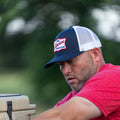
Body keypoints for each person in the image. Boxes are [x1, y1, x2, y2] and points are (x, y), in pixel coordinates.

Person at [33, 26, 120, 120]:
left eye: (71, 61)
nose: (65, 71)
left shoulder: (114, 77)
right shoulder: (76, 95)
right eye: (61, 64)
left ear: (95, 54)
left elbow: (62, 117)